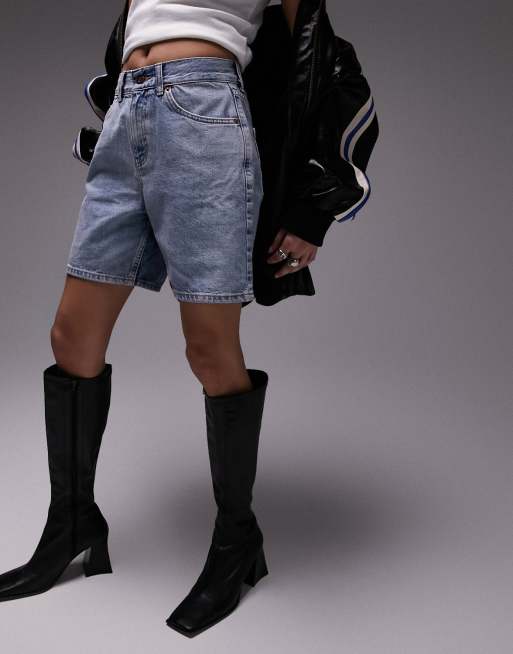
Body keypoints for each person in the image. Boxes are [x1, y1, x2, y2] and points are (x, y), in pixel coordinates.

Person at [0, 0, 319, 638]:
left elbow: (316, 61)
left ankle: (237, 539)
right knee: (71, 337)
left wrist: (312, 207)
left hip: (205, 113)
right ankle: (72, 524)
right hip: (127, 111)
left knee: (208, 349)